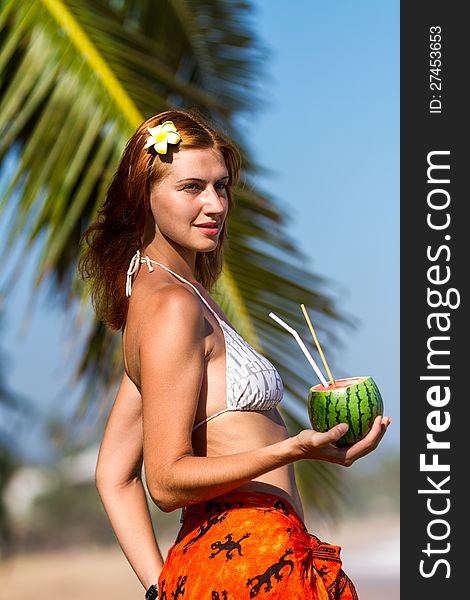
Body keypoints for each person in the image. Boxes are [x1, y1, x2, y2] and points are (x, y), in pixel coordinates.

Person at [78, 109, 391, 600]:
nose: (215, 205)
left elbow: (114, 473)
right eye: (191, 188)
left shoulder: (170, 294)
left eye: (221, 186)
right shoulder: (171, 308)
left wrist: (167, 588)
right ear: (145, 194)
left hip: (238, 566)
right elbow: (164, 481)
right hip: (247, 561)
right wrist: (292, 449)